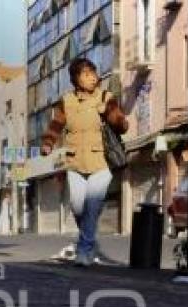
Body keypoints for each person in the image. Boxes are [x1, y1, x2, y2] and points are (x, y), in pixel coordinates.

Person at [41, 57, 128, 266]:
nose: (92, 78)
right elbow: (56, 125)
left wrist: (111, 115)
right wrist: (47, 143)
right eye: (86, 74)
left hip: (101, 163)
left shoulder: (106, 98)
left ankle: (84, 251)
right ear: (76, 78)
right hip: (75, 162)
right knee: (78, 206)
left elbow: (122, 125)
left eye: (93, 73)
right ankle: (88, 242)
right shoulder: (67, 101)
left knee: (91, 205)